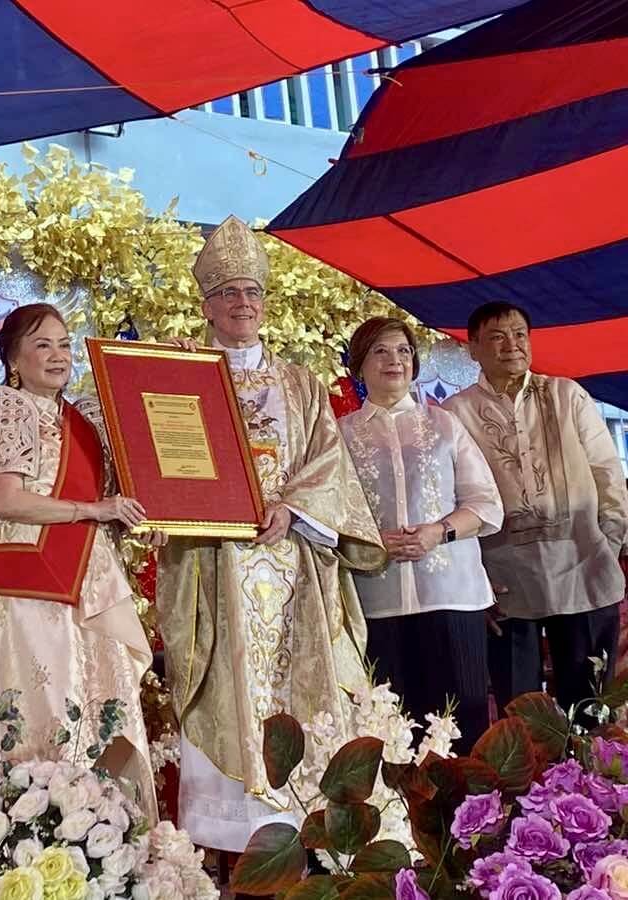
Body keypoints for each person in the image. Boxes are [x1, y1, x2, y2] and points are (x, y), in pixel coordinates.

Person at [158, 216, 384, 853]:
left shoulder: (300, 383)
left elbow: (328, 461)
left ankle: (305, 816)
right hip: (214, 560)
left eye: (251, 293)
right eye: (227, 292)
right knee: (220, 680)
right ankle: (227, 835)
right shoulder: (179, 375)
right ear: (206, 305)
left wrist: (290, 506)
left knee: (301, 684)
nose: (241, 304)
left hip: (289, 563)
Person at [0, 303, 159, 821]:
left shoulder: (85, 416)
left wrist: (169, 364)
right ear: (13, 358)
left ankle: (111, 832)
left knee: (104, 698)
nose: (58, 355)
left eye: (65, 344)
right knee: (44, 700)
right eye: (42, 344)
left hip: (90, 571)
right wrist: (92, 509)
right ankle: (39, 830)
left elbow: (147, 413)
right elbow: (5, 500)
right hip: (28, 578)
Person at [443, 301, 628, 716]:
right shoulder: (457, 412)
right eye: (497, 336)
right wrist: (476, 581)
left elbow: (607, 473)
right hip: (506, 581)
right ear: (472, 348)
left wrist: (606, 546)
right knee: (520, 717)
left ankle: (591, 783)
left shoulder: (566, 394)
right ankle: (531, 785)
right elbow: (454, 497)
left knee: (591, 708)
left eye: (520, 334)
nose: (512, 345)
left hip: (584, 569)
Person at [339, 317, 503, 752]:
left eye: (404, 351)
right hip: (377, 603)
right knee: (391, 729)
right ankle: (403, 821)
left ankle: (471, 817)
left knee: (462, 722)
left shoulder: (444, 425)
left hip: (452, 596)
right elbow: (329, 517)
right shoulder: (341, 436)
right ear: (359, 365)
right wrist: (371, 539)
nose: (395, 360)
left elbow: (486, 505)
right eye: (381, 351)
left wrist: (438, 532)